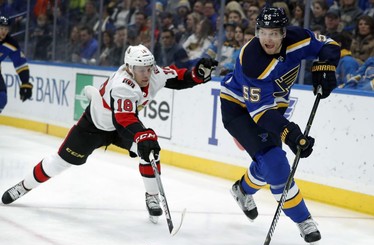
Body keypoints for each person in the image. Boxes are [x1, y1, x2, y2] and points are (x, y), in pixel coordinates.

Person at [1, 44, 218, 224]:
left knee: (150, 152)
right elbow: (123, 118)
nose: (146, 73)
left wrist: (196, 74)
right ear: (129, 67)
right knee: (59, 163)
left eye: (148, 68)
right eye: (140, 69)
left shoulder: (153, 73)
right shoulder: (123, 84)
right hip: (94, 126)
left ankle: (152, 195)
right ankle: (24, 186)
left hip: (120, 126)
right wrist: (143, 135)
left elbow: (177, 78)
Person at [220, 7, 340, 245]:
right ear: (257, 32)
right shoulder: (252, 60)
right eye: (263, 32)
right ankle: (304, 220)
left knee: (269, 166)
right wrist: (291, 134)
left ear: (284, 33)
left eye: (274, 33)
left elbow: (330, 45)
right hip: (239, 109)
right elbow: (260, 113)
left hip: (272, 108)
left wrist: (325, 65)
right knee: (275, 163)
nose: (268, 39)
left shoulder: (298, 39)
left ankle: (242, 190)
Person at [0, 16, 33, 114]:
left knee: (2, 97)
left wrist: (25, 82)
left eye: (6, 29)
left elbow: (20, 63)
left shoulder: (11, 43)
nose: (3, 31)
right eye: (1, 28)